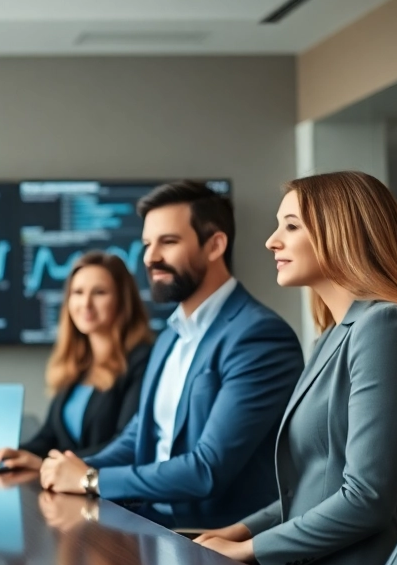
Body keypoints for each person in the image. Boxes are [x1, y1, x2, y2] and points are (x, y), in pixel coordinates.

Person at [195, 171, 397, 565]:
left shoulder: (389, 327)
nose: (271, 240)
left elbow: (366, 500)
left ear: (343, 233)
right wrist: (236, 532)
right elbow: (311, 488)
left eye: (291, 225)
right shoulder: (334, 335)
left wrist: (249, 551)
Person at [38, 181, 304, 530]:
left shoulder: (258, 336)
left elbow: (206, 469)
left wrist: (91, 479)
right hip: (152, 525)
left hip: (215, 542)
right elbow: (140, 435)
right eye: (148, 244)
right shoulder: (168, 337)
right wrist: (68, 468)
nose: (150, 258)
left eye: (169, 242)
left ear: (215, 245)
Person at [0, 251, 153, 468]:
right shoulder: (77, 365)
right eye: (78, 292)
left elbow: (125, 445)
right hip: (70, 491)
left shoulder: (142, 360)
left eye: (100, 292)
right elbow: (49, 437)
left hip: (112, 495)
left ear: (123, 300)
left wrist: (49, 464)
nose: (86, 303)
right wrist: (16, 454)